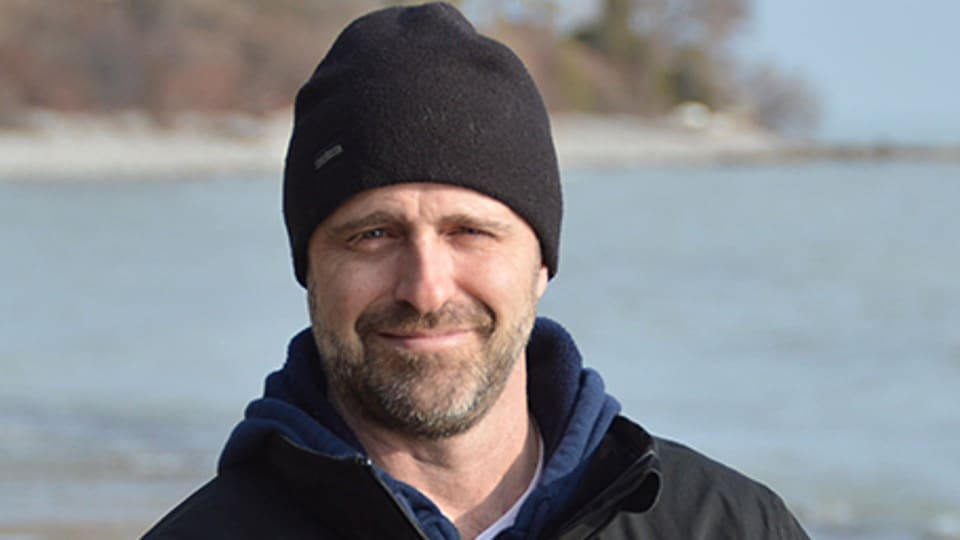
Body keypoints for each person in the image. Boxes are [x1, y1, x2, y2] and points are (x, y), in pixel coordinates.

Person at [143, 3, 809, 539]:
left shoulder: (730, 526)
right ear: (310, 270)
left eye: (469, 232)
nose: (426, 289)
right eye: (373, 235)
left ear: (541, 262)